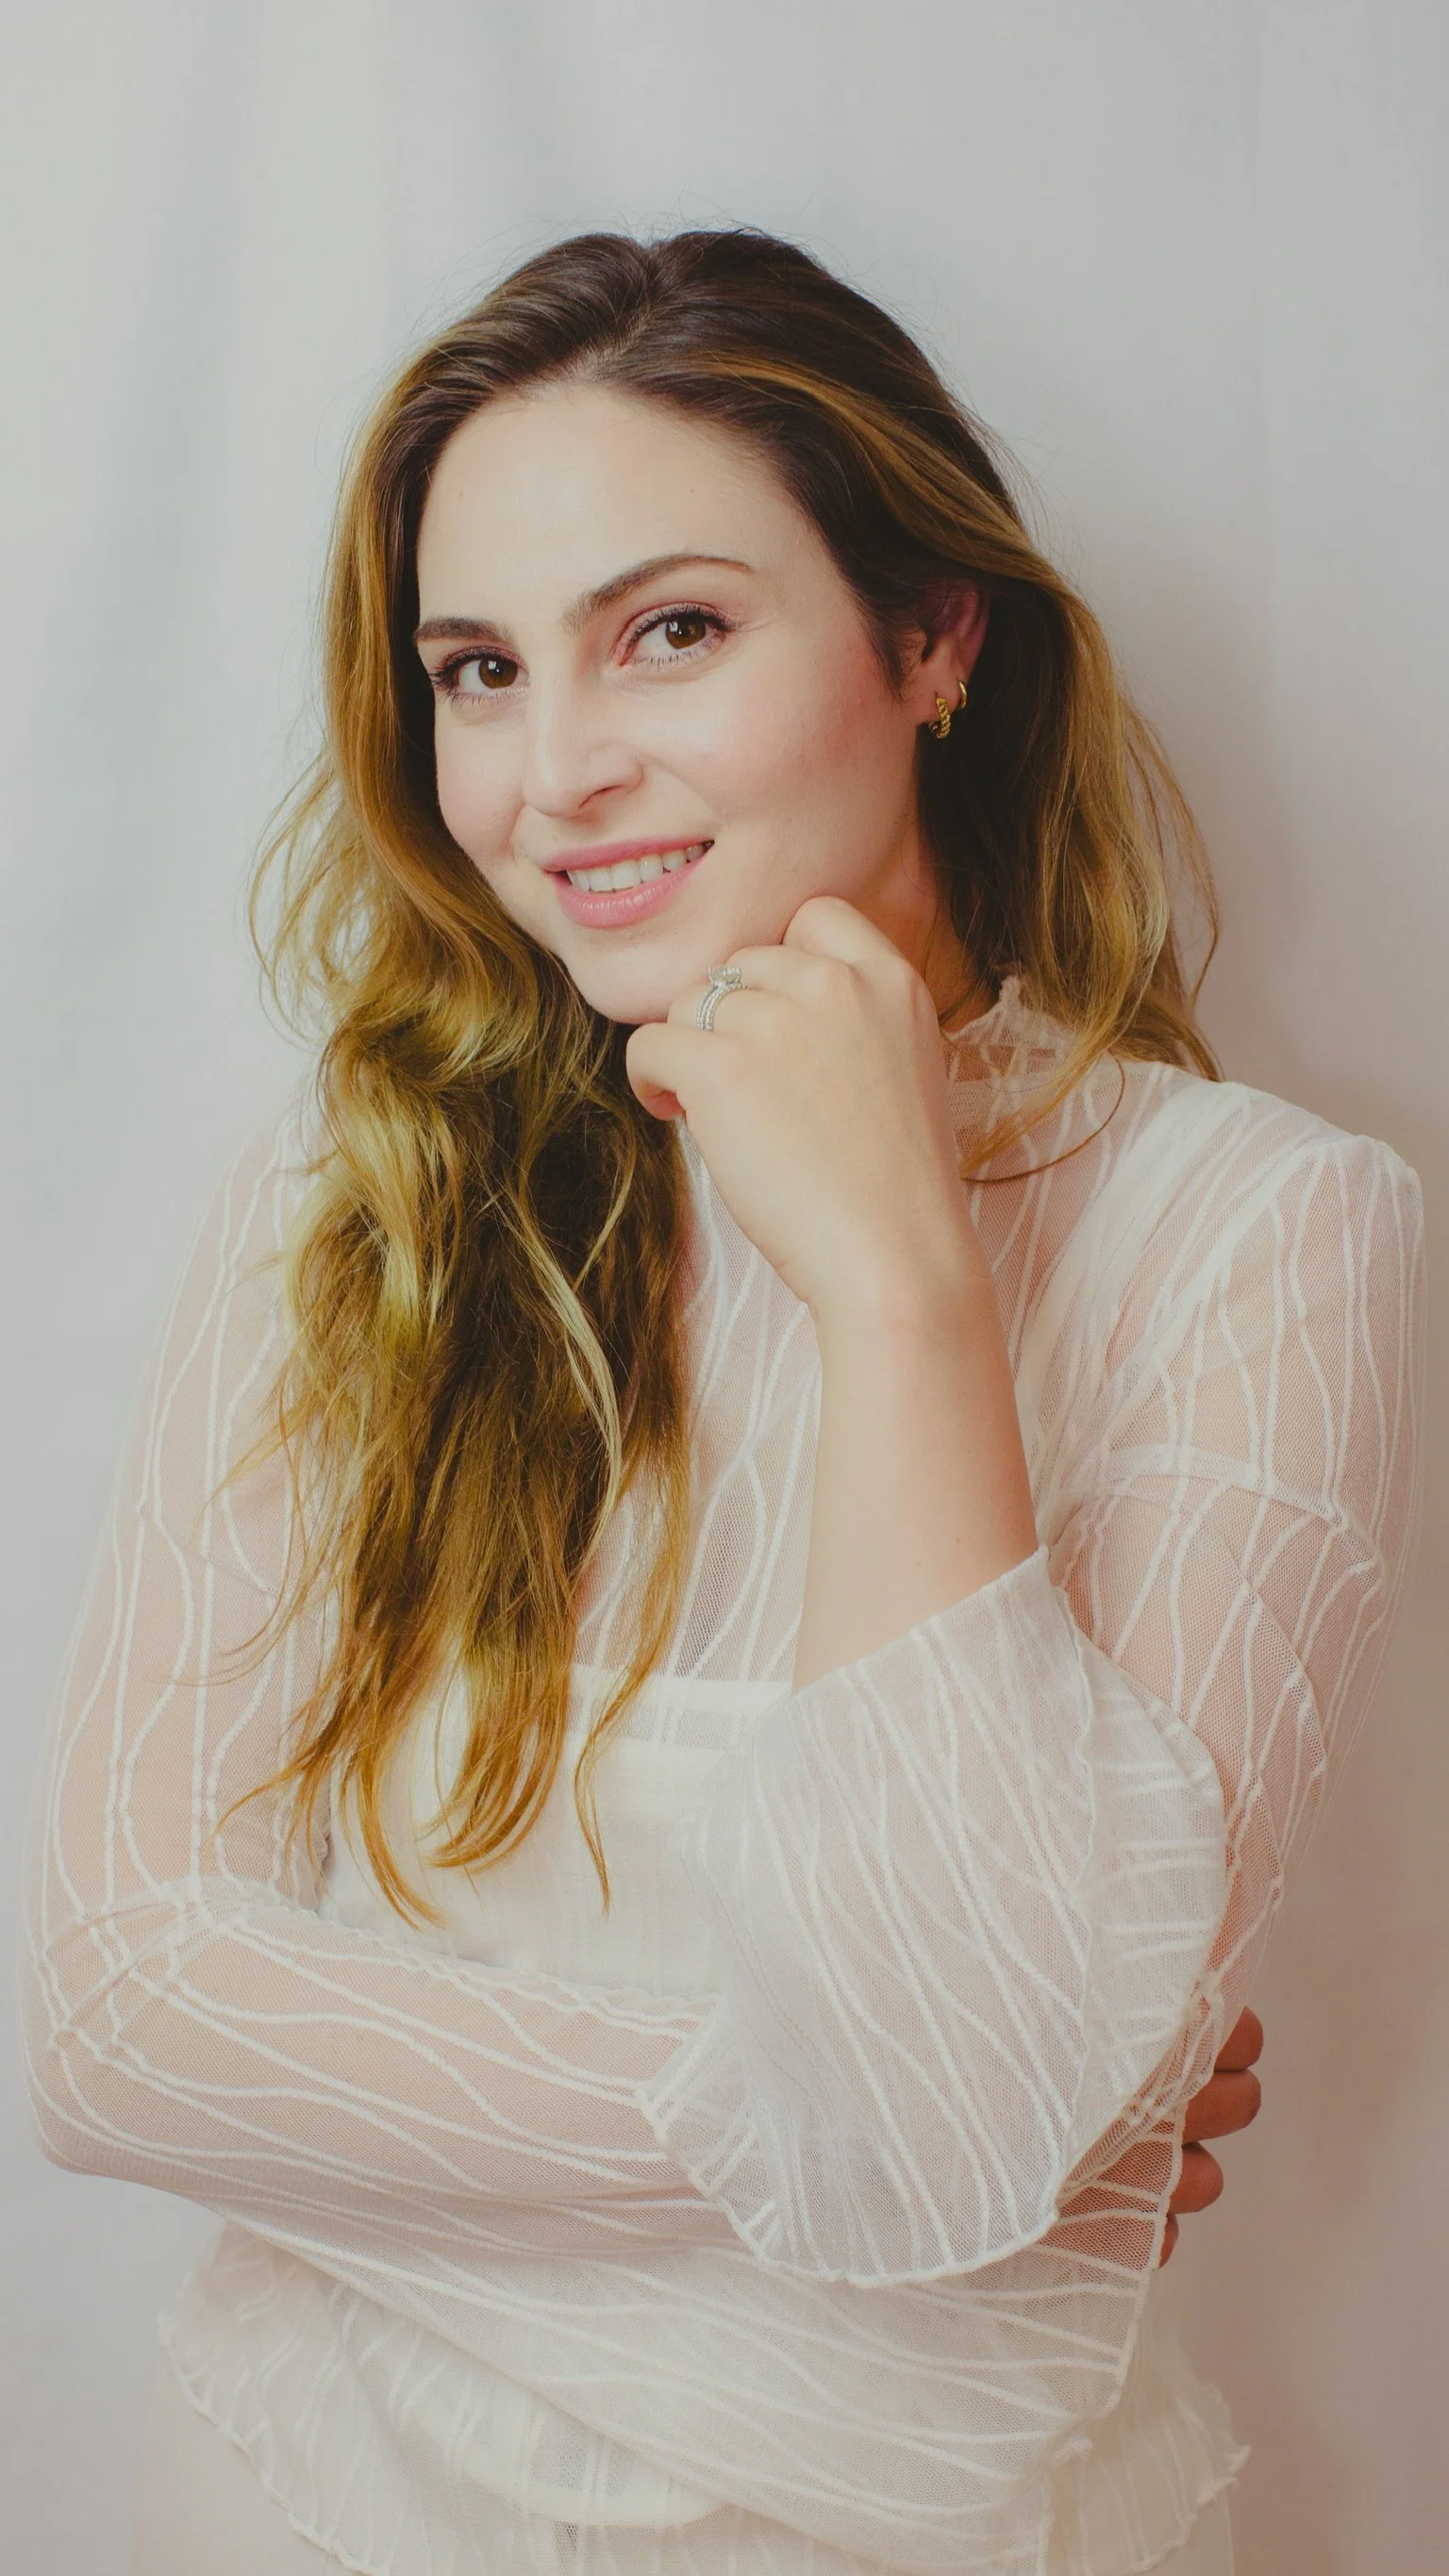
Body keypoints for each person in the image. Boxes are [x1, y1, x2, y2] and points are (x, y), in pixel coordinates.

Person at [19, 229, 1422, 2576]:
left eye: (670, 628)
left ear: (933, 638)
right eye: (479, 668)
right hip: (295, 2506)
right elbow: (118, 2018)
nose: (556, 773)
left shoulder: (1267, 1235)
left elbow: (987, 2110)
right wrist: (893, 2142)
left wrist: (900, 1286)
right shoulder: (346, 1204)